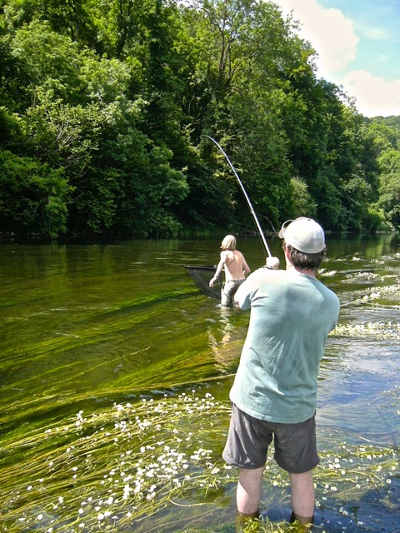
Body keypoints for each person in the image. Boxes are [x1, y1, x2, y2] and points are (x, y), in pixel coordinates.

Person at [222, 217, 340, 530]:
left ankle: (248, 526)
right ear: (321, 254)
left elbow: (236, 301)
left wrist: (268, 272)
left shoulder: (263, 279)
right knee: (302, 477)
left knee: (250, 474)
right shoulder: (332, 302)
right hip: (298, 408)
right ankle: (303, 528)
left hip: (251, 401)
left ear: (286, 249)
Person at [209, 235, 251, 307]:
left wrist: (214, 278)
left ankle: (225, 317)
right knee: (237, 304)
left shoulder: (224, 253)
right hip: (242, 282)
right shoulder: (239, 253)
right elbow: (248, 270)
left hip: (231, 282)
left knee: (224, 306)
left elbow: (220, 265)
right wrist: (241, 275)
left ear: (225, 242)